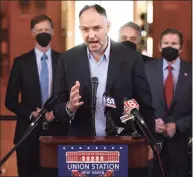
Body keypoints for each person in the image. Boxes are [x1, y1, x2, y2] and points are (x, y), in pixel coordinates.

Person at [52, 4, 155, 138]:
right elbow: (56, 107)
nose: (91, 35)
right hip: (81, 144)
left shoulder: (130, 58)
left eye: (97, 28)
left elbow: (145, 105)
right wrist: (70, 107)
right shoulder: (67, 59)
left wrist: (149, 141)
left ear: (108, 26)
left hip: (122, 141)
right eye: (85, 29)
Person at [5, 15, 68, 177]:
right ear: (33, 33)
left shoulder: (63, 61)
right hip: (27, 134)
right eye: (40, 30)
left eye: (47, 29)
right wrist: (31, 113)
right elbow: (10, 101)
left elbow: (68, 96)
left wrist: (56, 113)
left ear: (53, 31)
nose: (43, 33)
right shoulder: (20, 63)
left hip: (58, 132)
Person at [145, 28, 192, 177]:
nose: (170, 46)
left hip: (183, 147)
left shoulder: (191, 71)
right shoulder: (146, 69)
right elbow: (139, 103)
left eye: (174, 43)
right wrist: (150, 121)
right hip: (153, 145)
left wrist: (178, 125)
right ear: (159, 46)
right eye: (166, 43)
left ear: (181, 47)